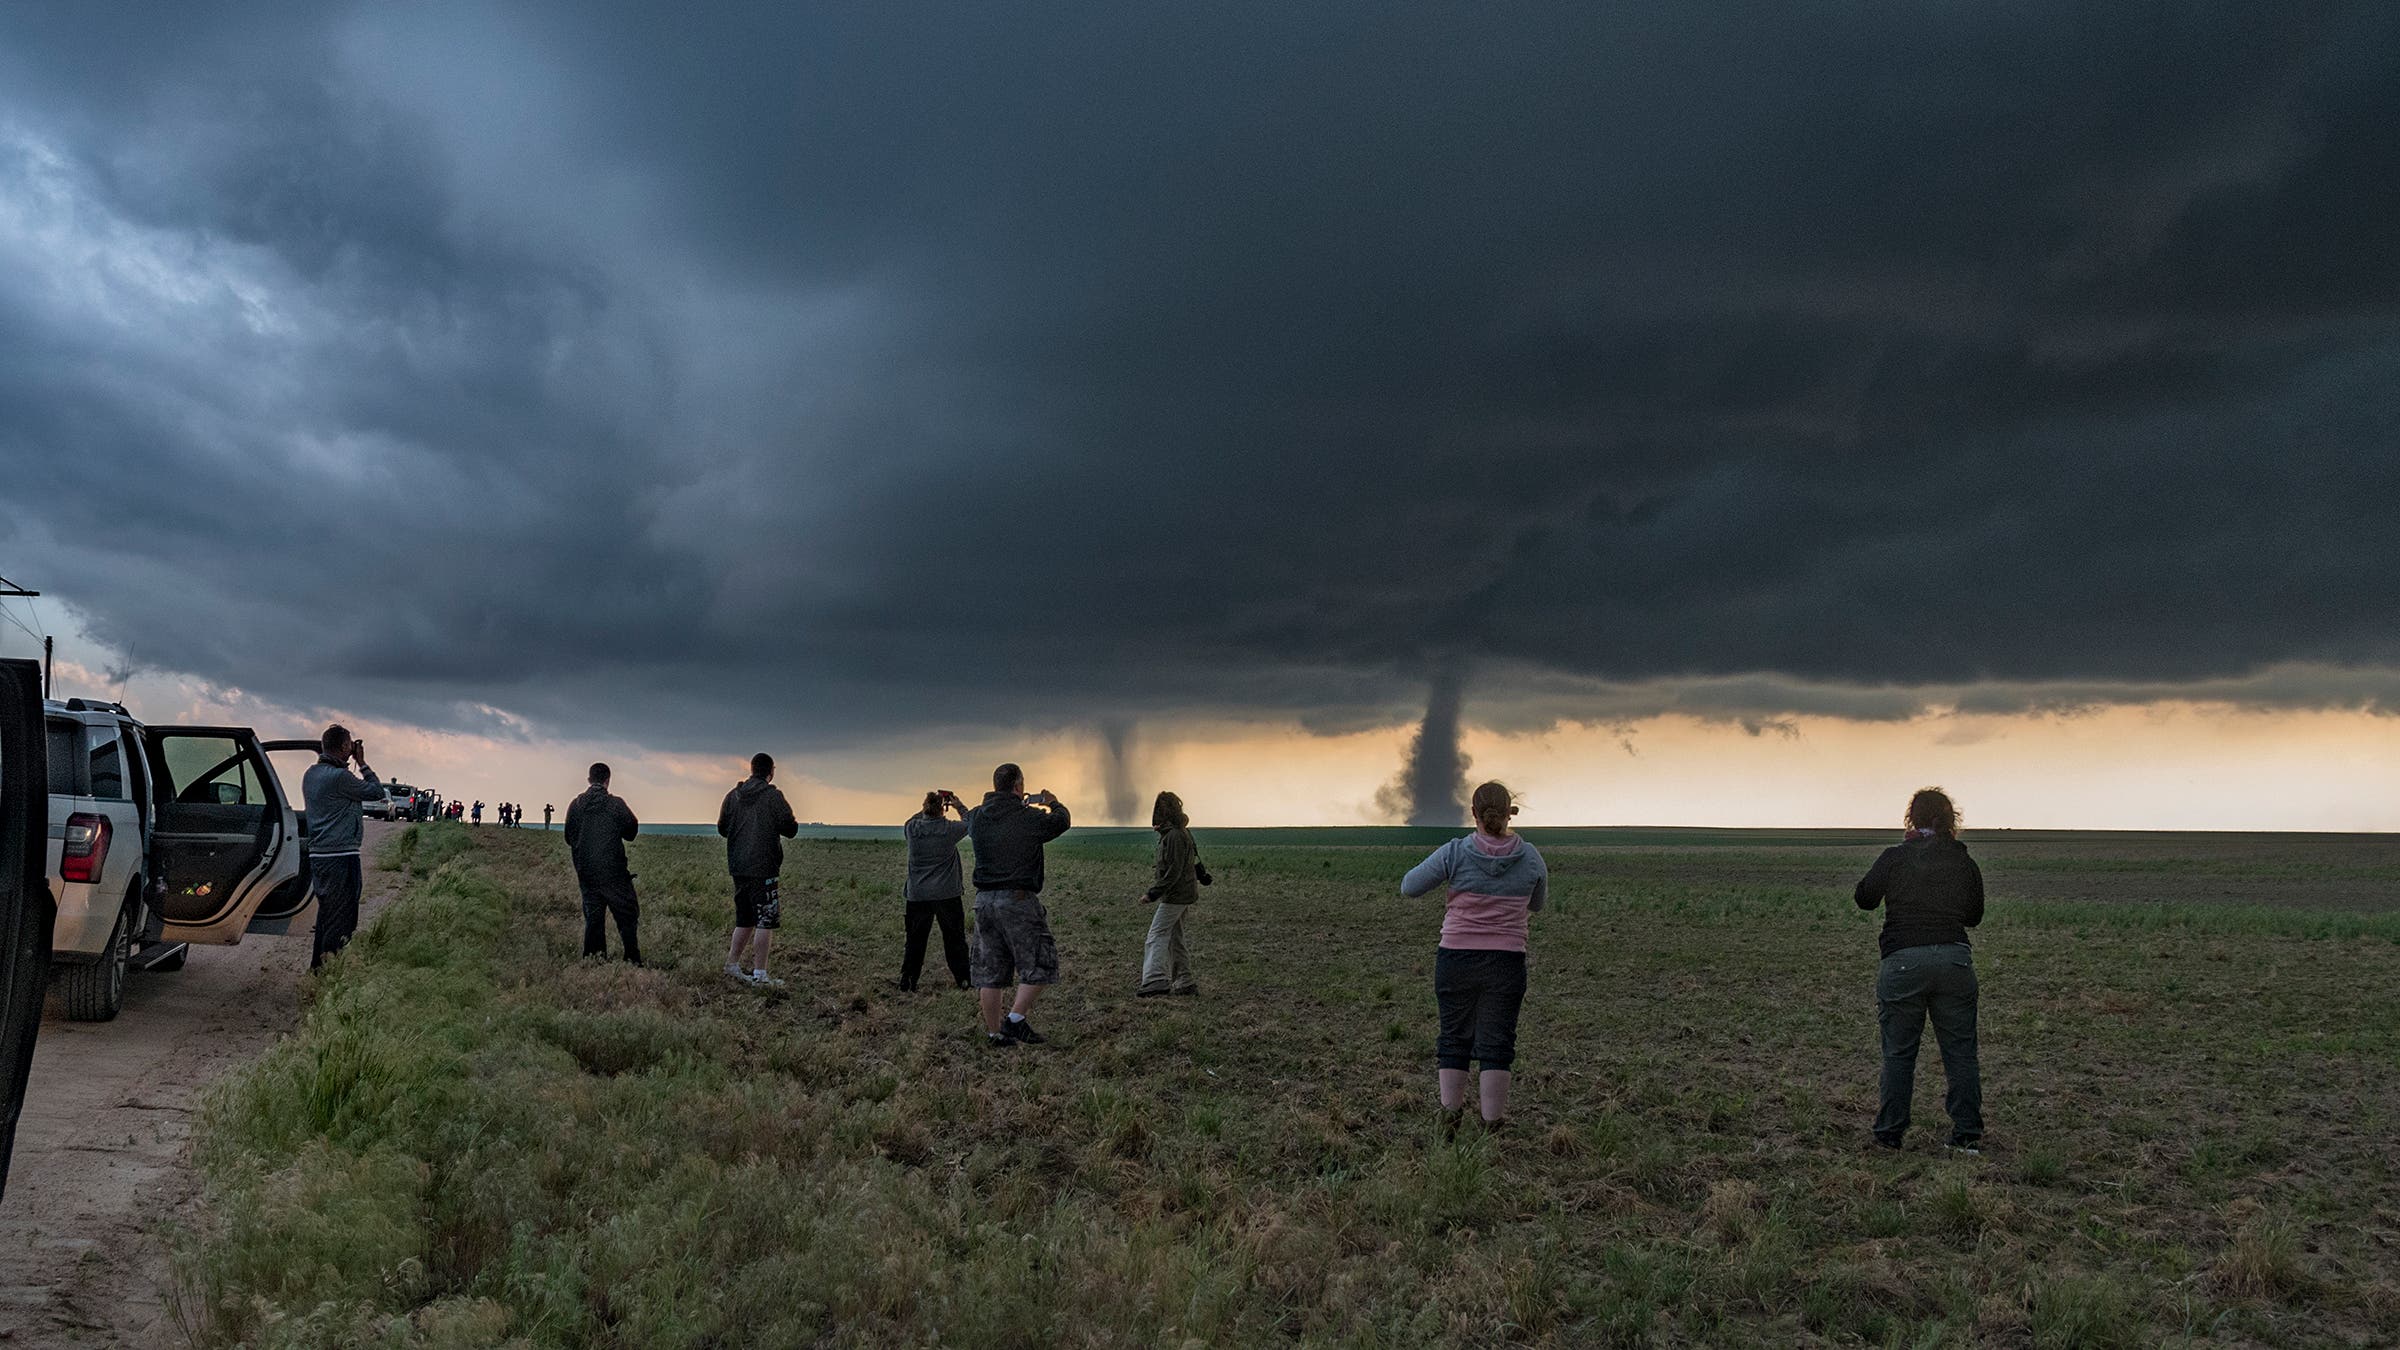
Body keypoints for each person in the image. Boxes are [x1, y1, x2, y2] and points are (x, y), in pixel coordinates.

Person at [1399, 781, 1547, 1136]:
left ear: (1474, 813)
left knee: (1454, 1037)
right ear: (1510, 812)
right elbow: (1537, 904)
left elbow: (1409, 886)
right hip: (1507, 963)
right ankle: (1491, 1126)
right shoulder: (1531, 858)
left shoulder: (1454, 852)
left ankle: (1450, 1122)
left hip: (1456, 959)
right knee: (1498, 1042)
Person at [1854, 787, 1986, 1154]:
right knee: (1960, 1053)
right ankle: (1966, 1137)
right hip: (1954, 959)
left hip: (1902, 961)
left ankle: (1889, 1135)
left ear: (1911, 817)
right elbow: (1974, 917)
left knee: (1899, 1054)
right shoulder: (1964, 862)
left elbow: (1865, 899)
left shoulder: (1895, 857)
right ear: (1950, 820)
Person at [967, 763, 1071, 1047]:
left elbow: (969, 818)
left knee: (990, 971)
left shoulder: (977, 817)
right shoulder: (1028, 817)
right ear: (1018, 786)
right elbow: (1062, 821)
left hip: (983, 902)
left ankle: (994, 1034)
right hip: (1017, 900)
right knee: (1041, 960)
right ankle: (1015, 1020)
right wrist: (1053, 803)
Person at [301, 724, 385, 970]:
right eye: (349, 745)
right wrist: (363, 763)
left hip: (320, 855)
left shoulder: (311, 774)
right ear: (344, 747)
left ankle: (318, 967)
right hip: (341, 855)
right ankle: (330, 968)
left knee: (327, 913)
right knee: (343, 917)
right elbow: (376, 791)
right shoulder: (340, 777)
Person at [718, 752, 799, 987]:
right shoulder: (773, 796)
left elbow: (722, 828)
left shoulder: (732, 796)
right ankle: (760, 974)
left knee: (744, 918)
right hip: (764, 868)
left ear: (751, 769)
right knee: (765, 920)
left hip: (738, 867)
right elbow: (790, 828)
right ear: (770, 772)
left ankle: (732, 964)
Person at [563, 763, 641, 963]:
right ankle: (632, 958)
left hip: (586, 871)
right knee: (627, 914)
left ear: (589, 780)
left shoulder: (576, 805)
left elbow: (568, 837)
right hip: (613, 871)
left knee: (594, 919)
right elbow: (631, 831)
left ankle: (594, 960)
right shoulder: (615, 804)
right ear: (608, 780)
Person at [1135, 789, 1207, 997]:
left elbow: (1173, 871)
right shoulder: (1180, 832)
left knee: (1156, 934)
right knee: (1176, 938)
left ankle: (1155, 980)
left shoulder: (1174, 836)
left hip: (1176, 896)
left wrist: (1153, 893)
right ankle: (1185, 981)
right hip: (1183, 894)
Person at [899, 790, 973, 991]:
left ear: (924, 808)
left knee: (915, 939)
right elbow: (969, 823)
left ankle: (908, 979)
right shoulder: (948, 829)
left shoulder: (912, 828)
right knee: (954, 938)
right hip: (946, 893)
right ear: (943, 809)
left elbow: (912, 819)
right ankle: (963, 979)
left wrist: (928, 807)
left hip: (918, 894)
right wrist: (957, 805)